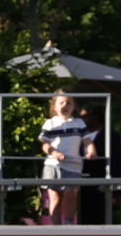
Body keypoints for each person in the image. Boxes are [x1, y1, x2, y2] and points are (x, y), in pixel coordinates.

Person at [37, 94, 97, 224]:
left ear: (73, 106)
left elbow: (87, 140)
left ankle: (68, 224)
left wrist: (91, 150)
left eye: (68, 103)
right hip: (53, 165)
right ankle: (56, 228)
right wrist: (54, 152)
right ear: (54, 106)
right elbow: (44, 143)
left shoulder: (79, 123)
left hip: (73, 165)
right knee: (55, 198)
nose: (65, 106)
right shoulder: (50, 123)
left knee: (72, 194)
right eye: (61, 103)